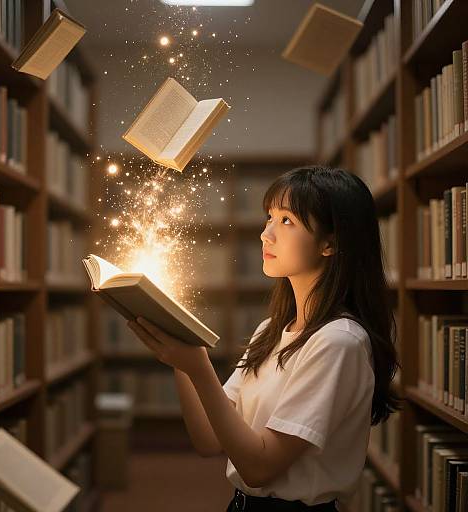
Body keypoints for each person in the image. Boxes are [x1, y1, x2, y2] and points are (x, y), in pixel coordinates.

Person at [127, 166, 402, 511]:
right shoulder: (271, 330)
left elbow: (259, 467)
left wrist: (198, 367)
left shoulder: (338, 342)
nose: (266, 234)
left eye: (287, 221)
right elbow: (208, 439)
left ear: (330, 243)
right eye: (269, 217)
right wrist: (180, 355)